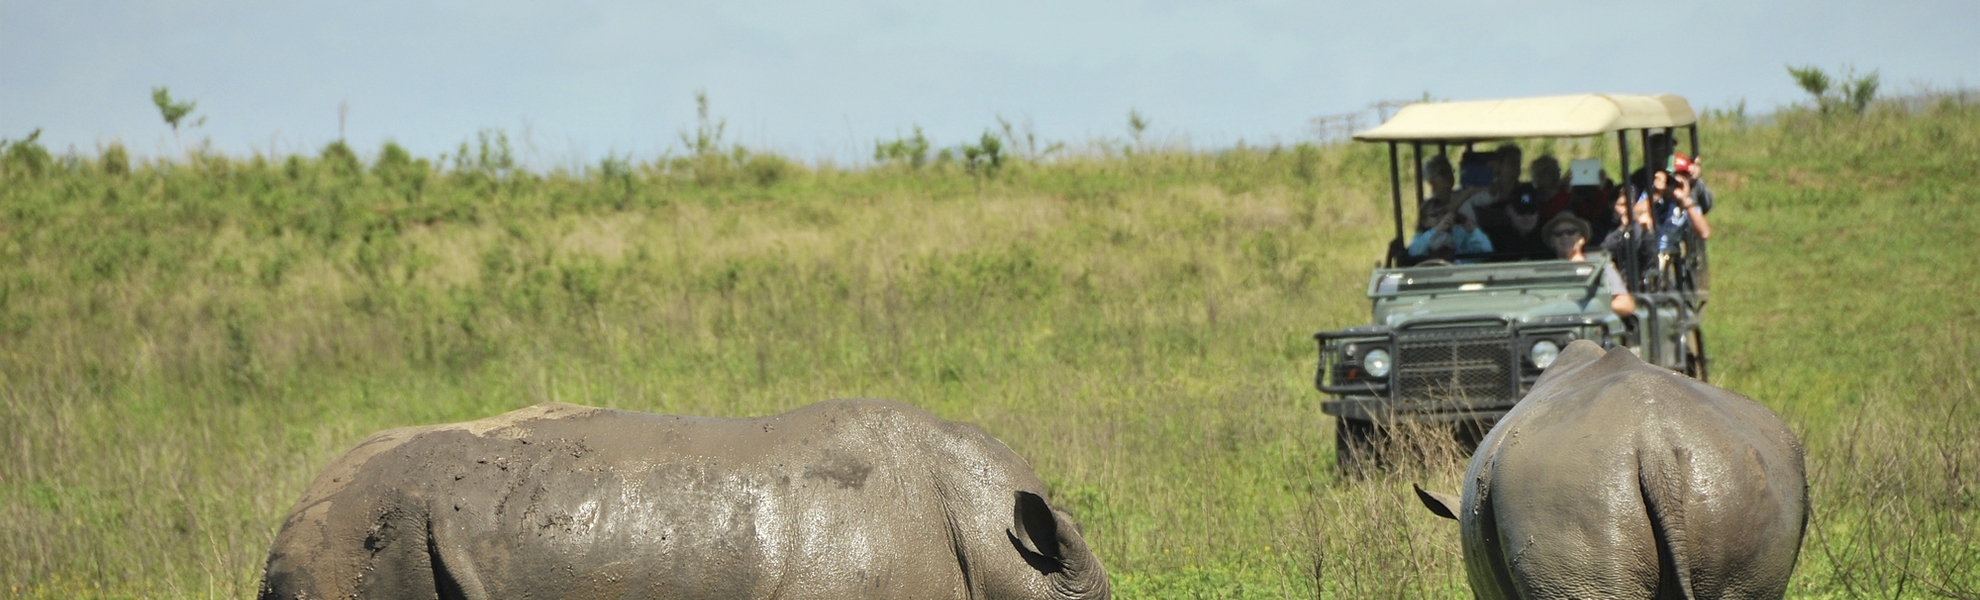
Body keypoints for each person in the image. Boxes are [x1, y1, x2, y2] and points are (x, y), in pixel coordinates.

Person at [1545, 215, 1636, 317]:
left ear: (1582, 239)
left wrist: (1594, 306)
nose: (1565, 237)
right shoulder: (1545, 272)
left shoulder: (1601, 267)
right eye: (1558, 234)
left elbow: (1626, 304)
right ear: (1552, 242)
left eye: (1571, 232)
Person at [1409, 200, 1494, 262]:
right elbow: (1414, 253)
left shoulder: (1459, 233)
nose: (1441, 218)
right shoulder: (1421, 237)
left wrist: (1474, 231)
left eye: (1443, 213)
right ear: (1424, 222)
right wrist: (1436, 230)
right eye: (1435, 215)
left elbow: (1487, 251)